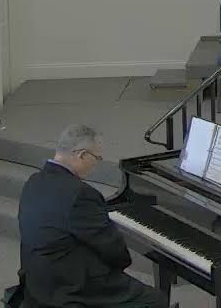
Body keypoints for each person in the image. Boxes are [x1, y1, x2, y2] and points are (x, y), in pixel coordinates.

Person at [18, 125, 168, 307]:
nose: (96, 165)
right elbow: (113, 250)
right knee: (155, 300)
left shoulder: (34, 181)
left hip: (36, 280)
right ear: (82, 155)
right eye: (97, 158)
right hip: (68, 288)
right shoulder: (81, 194)